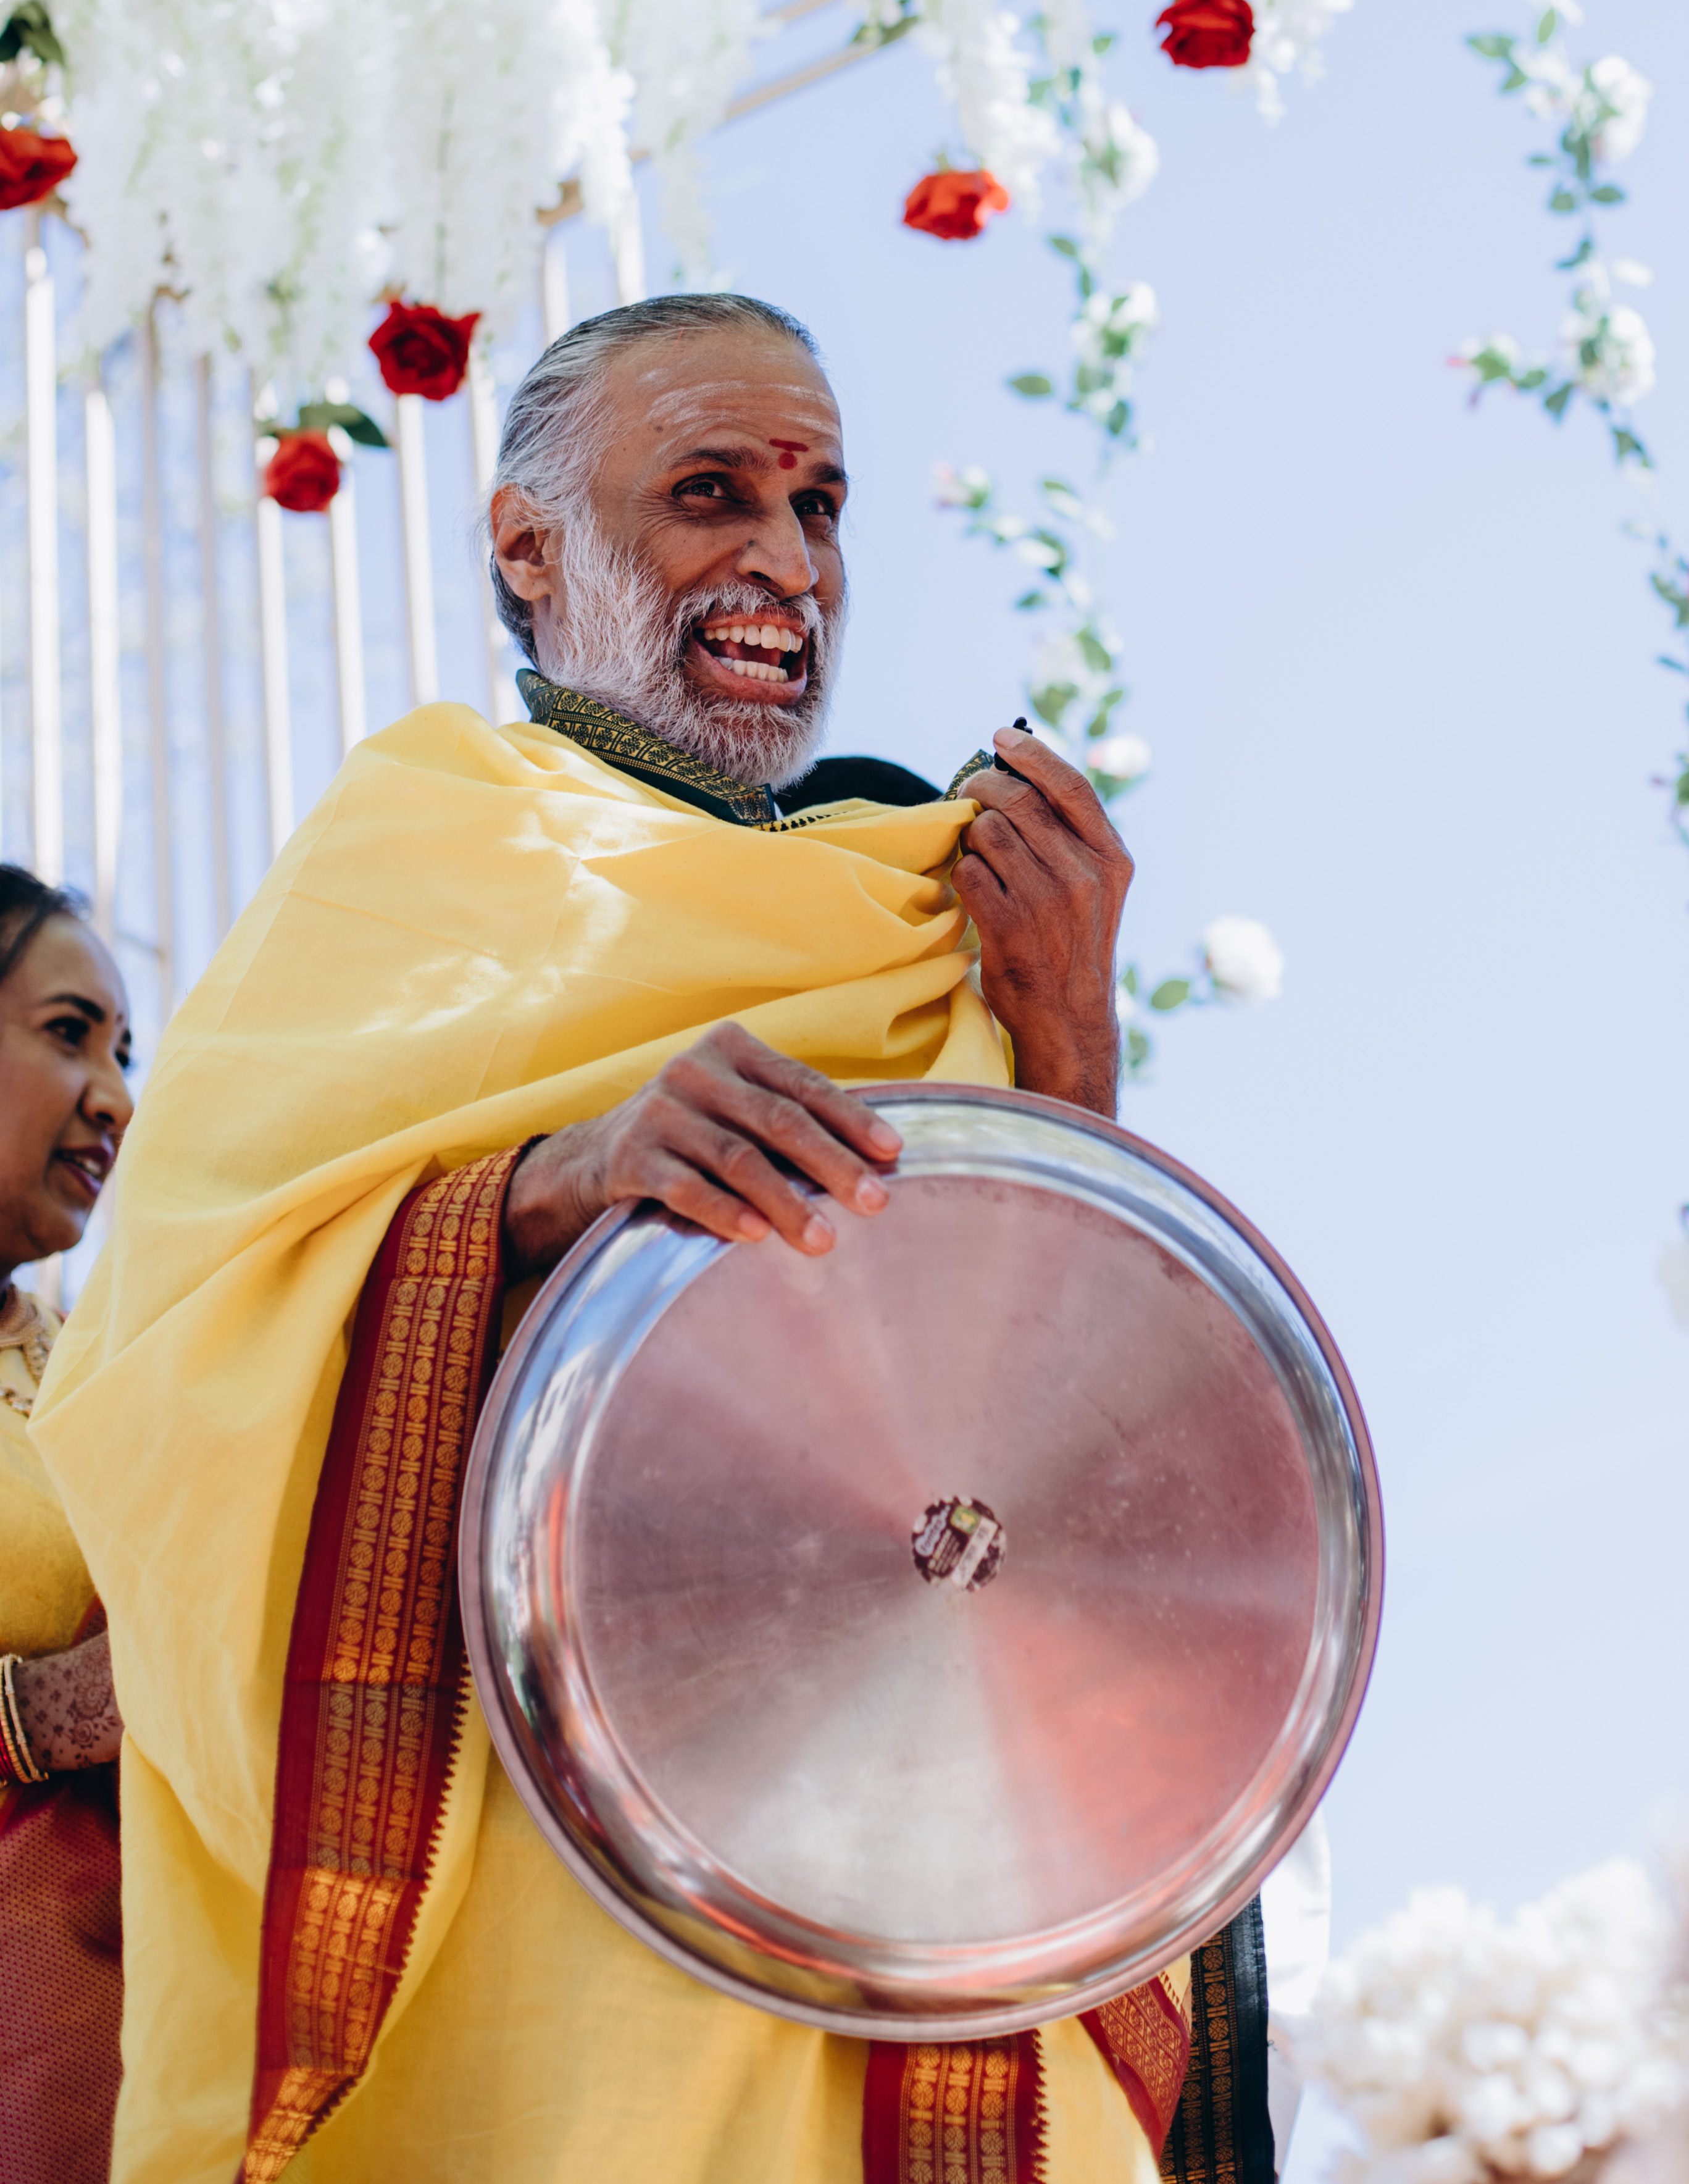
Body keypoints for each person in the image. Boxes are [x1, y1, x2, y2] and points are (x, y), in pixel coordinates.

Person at [36, 293, 1266, 2184]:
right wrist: (548, 1189)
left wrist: (1069, 1053)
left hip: (931, 1925)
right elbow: (157, 1386)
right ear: (527, 549)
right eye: (711, 493)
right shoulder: (419, 852)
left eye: (820, 505)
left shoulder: (932, 907)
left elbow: (1094, 1463)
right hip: (546, 1925)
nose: (786, 560)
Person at [0, 865, 134, 2183]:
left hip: (106, 2027)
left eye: (122, 1051)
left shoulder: (95, 1360)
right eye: (68, 1033)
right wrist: (30, 1716)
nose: (116, 1097)